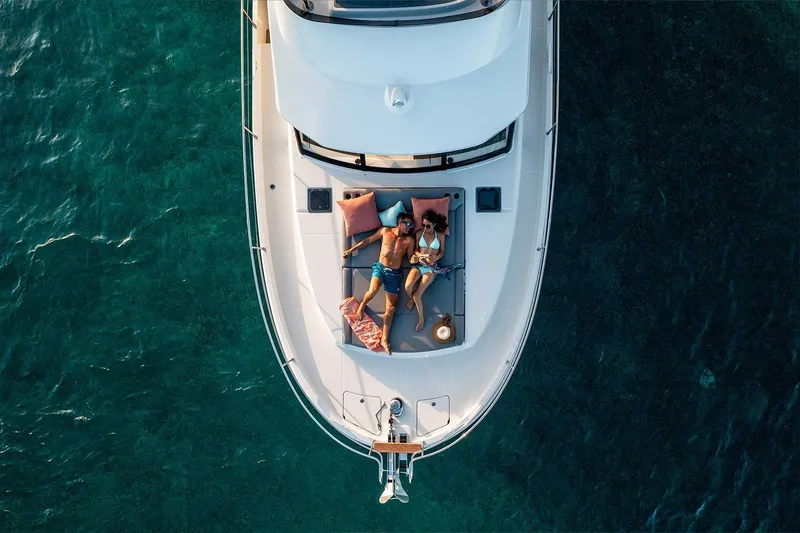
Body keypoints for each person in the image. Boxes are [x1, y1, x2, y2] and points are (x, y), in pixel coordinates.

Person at [342, 212, 416, 354]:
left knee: (392, 308)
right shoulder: (385, 231)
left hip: (394, 274)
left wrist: (417, 258)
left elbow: (410, 258)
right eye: (407, 224)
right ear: (399, 223)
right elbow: (368, 240)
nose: (410, 227)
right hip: (380, 268)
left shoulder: (409, 240)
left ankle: (384, 339)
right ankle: (362, 306)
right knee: (373, 290)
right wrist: (351, 250)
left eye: (411, 225)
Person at [405, 209, 448, 331]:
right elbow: (416, 250)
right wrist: (419, 255)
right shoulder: (419, 234)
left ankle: (421, 319)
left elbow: (442, 252)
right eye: (423, 225)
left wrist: (436, 257)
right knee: (407, 287)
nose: (425, 228)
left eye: (428, 226)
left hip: (431, 268)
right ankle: (410, 299)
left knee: (417, 295)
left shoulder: (440, 236)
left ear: (434, 224)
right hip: (419, 265)